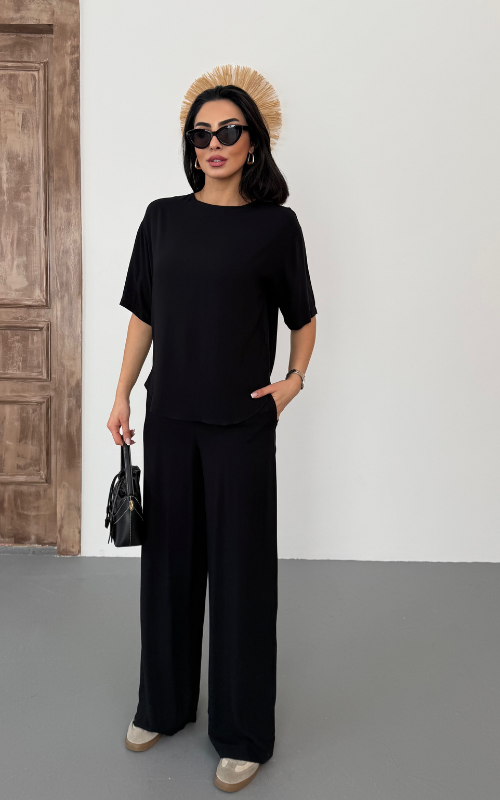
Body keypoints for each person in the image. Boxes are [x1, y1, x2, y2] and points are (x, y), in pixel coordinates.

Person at [107, 65, 317, 793]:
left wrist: (292, 383)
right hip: (168, 419)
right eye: (202, 134)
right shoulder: (162, 218)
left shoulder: (275, 226)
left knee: (240, 578)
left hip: (240, 427)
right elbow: (144, 314)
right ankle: (163, 706)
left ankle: (243, 731)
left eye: (229, 130)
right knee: (167, 571)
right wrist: (121, 393)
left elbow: (303, 317)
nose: (215, 143)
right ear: (190, 147)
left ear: (254, 142)